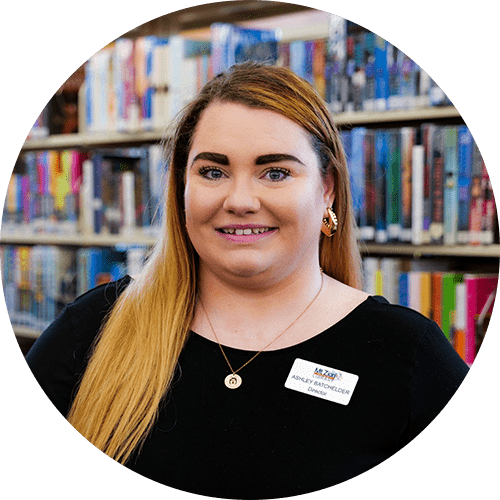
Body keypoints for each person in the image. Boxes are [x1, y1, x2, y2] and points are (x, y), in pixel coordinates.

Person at [26, 62, 469, 499]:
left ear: (327, 188)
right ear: (181, 187)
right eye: (213, 172)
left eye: (275, 172)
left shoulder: (407, 354)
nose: (239, 200)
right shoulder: (93, 328)